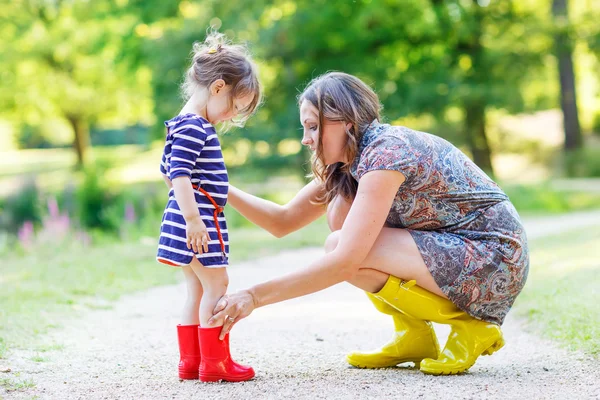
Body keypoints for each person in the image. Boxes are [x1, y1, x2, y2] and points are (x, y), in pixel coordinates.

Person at [209, 72, 529, 375]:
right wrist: (218, 186)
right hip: (459, 255)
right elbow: (282, 221)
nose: (306, 140)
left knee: (341, 246)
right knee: (340, 230)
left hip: (494, 258)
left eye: (312, 127)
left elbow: (345, 261)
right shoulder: (351, 160)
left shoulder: (386, 154)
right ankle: (414, 338)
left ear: (346, 122)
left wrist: (253, 296)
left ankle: (473, 326)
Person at [156, 31, 261, 382]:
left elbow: (166, 170)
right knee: (217, 285)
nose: (230, 116)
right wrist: (193, 219)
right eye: (233, 106)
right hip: (199, 221)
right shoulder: (196, 127)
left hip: (187, 217)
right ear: (218, 87)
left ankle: (192, 362)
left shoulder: (180, 124)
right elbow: (179, 174)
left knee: (197, 288)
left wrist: (184, 211)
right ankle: (215, 363)